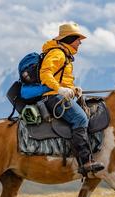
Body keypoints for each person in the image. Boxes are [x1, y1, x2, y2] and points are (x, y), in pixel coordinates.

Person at [39, 23, 104, 174]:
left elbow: (61, 78)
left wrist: (73, 89)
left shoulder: (64, 54)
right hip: (52, 96)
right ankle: (86, 162)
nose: (80, 42)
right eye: (78, 39)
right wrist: (60, 89)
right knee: (80, 118)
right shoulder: (58, 53)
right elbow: (45, 73)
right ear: (70, 39)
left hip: (56, 94)